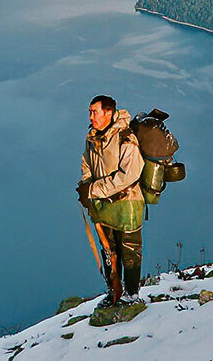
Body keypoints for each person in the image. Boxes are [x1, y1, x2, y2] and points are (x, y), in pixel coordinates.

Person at [77, 94, 144, 307]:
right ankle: (113, 291)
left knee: (129, 251)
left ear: (108, 112)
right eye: (90, 112)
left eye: (94, 112)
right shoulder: (93, 137)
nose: (90, 117)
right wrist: (87, 185)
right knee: (109, 250)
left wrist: (93, 189)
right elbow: (86, 163)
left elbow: (129, 175)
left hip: (127, 203)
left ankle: (132, 294)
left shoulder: (126, 138)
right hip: (102, 204)